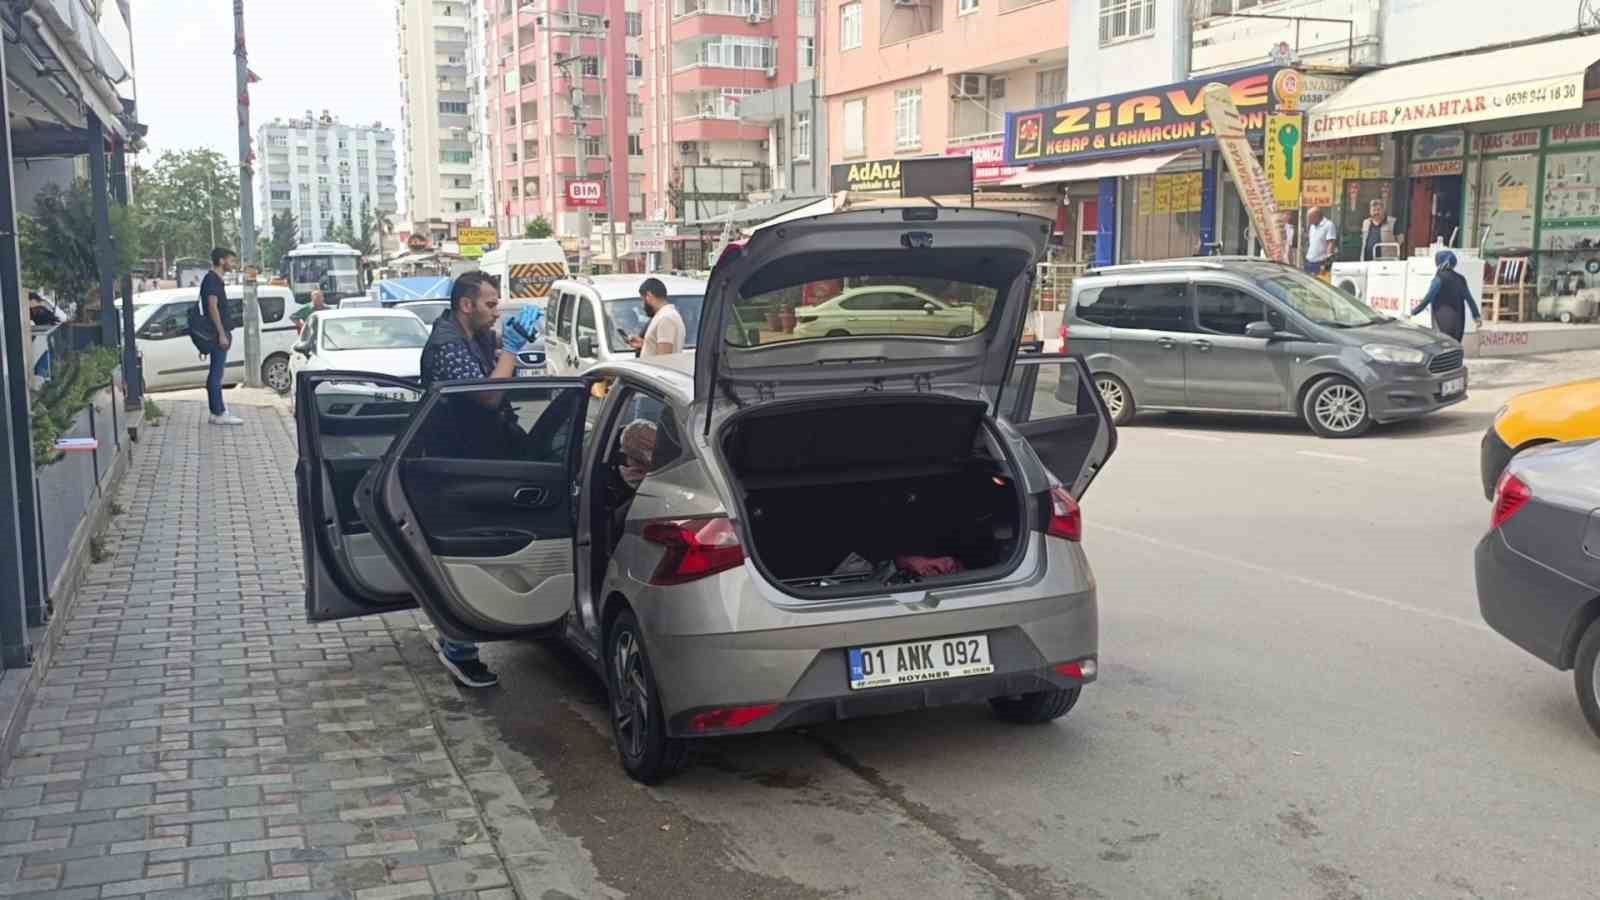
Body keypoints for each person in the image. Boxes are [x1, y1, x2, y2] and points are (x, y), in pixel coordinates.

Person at [417, 271, 541, 688]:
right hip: (453, 461)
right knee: (464, 555)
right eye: (490, 304)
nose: (496, 311)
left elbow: (504, 387)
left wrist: (508, 353)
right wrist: (512, 349)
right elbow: (487, 395)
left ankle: (465, 632)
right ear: (466, 305)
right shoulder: (448, 344)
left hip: (480, 454)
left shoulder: (479, 337)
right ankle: (459, 648)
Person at [199, 248, 242, 426]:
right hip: (217, 335)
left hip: (217, 333)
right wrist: (221, 333)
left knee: (215, 373)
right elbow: (212, 306)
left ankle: (215, 411)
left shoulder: (215, 279)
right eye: (231, 261)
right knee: (217, 374)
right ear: (222, 260)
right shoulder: (212, 280)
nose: (233, 264)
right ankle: (219, 412)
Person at [1410, 250, 1482, 343]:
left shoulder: (1438, 279)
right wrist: (1476, 317)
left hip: (1442, 320)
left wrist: (1413, 312)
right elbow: (1469, 299)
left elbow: (1428, 298)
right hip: (1458, 321)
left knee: (1442, 347)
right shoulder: (1461, 278)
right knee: (1454, 347)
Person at [625, 277, 685, 358]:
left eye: (643, 300)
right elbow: (660, 347)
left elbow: (664, 357)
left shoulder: (666, 318)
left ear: (649, 296)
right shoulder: (664, 315)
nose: (643, 306)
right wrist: (645, 344)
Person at [1303, 207, 1338, 275]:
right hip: (1309, 260)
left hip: (1320, 261)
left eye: (1310, 218)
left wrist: (1327, 262)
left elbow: (1330, 243)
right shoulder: (1312, 226)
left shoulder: (1328, 225)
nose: (1308, 221)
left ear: (1317, 216)